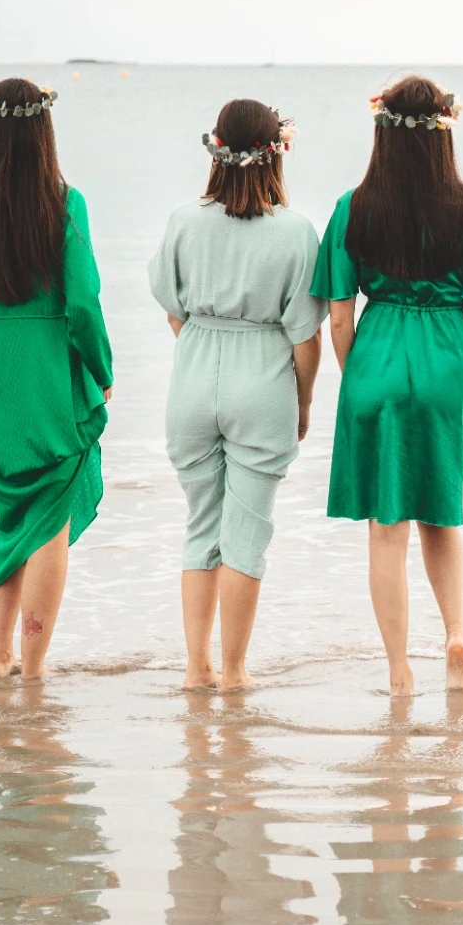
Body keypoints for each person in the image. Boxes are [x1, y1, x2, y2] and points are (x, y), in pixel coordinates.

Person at [312, 76, 463, 697]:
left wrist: (360, 374)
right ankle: (456, 634)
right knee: (441, 513)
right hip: (449, 357)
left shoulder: (354, 205)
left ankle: (399, 670)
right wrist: (455, 366)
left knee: (386, 525)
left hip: (377, 354)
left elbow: (338, 312)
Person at [0, 78, 112, 679]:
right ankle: (32, 667)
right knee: (49, 518)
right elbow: (83, 301)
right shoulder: (63, 203)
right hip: (41, 374)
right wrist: (102, 369)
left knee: (14, 514)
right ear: (43, 133)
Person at [148, 100, 324, 691]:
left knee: (202, 525)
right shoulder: (296, 231)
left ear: (216, 146)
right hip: (263, 376)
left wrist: (202, 341)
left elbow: (172, 305)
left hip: (195, 372)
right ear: (279, 151)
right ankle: (234, 671)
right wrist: (301, 403)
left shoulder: (184, 221)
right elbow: (305, 335)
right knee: (246, 531)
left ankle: (195, 668)